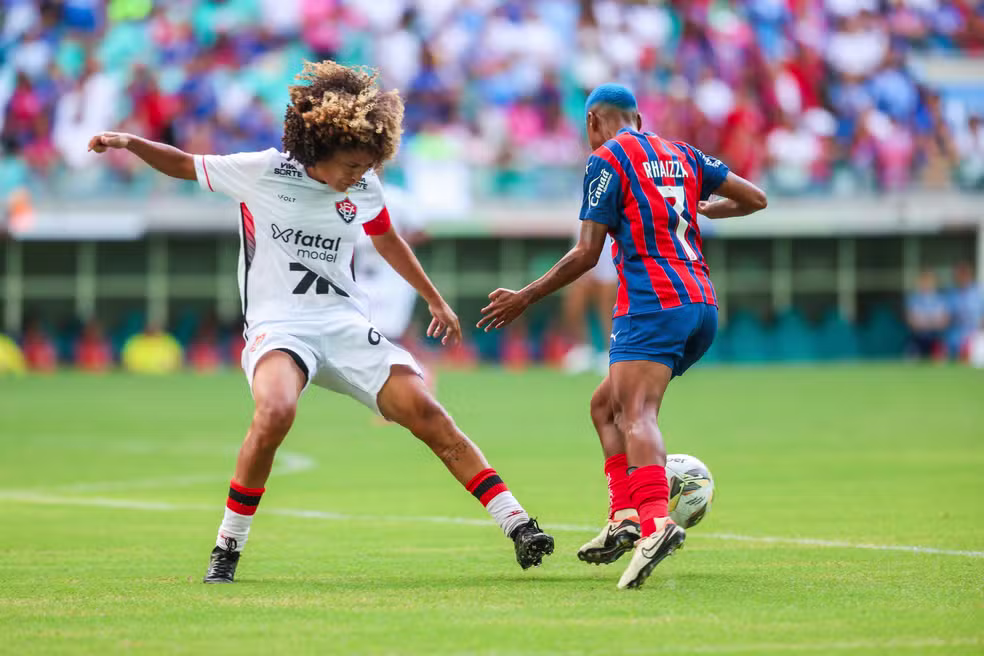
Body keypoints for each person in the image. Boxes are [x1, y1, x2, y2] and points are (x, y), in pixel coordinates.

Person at [88, 60, 553, 584]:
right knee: (276, 411)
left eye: (368, 165)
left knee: (428, 413)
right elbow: (183, 163)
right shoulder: (264, 171)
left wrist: (434, 299)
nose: (359, 174)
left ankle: (518, 524)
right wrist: (131, 142)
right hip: (279, 326)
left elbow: (387, 240)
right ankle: (227, 546)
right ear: (322, 147)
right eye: (352, 164)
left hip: (344, 325)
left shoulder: (365, 187)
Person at [478, 84, 767, 589]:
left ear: (593, 122)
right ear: (638, 118)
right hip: (701, 305)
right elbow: (755, 199)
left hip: (653, 304)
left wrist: (526, 296)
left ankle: (655, 524)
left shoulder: (607, 158)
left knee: (637, 414)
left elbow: (587, 253)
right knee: (603, 406)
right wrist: (707, 210)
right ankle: (625, 517)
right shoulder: (683, 153)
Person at [905, 269, 948, 359]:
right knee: (911, 356)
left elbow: (943, 323)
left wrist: (925, 322)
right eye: (924, 281)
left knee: (940, 358)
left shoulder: (941, 300)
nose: (926, 284)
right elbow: (912, 323)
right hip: (918, 339)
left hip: (936, 338)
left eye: (929, 281)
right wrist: (931, 321)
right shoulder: (914, 299)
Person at [946, 262, 983, 360]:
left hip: (976, 336)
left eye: (964, 275)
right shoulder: (951, 295)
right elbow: (946, 318)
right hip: (955, 337)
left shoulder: (979, 293)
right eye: (959, 275)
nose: (961, 278)